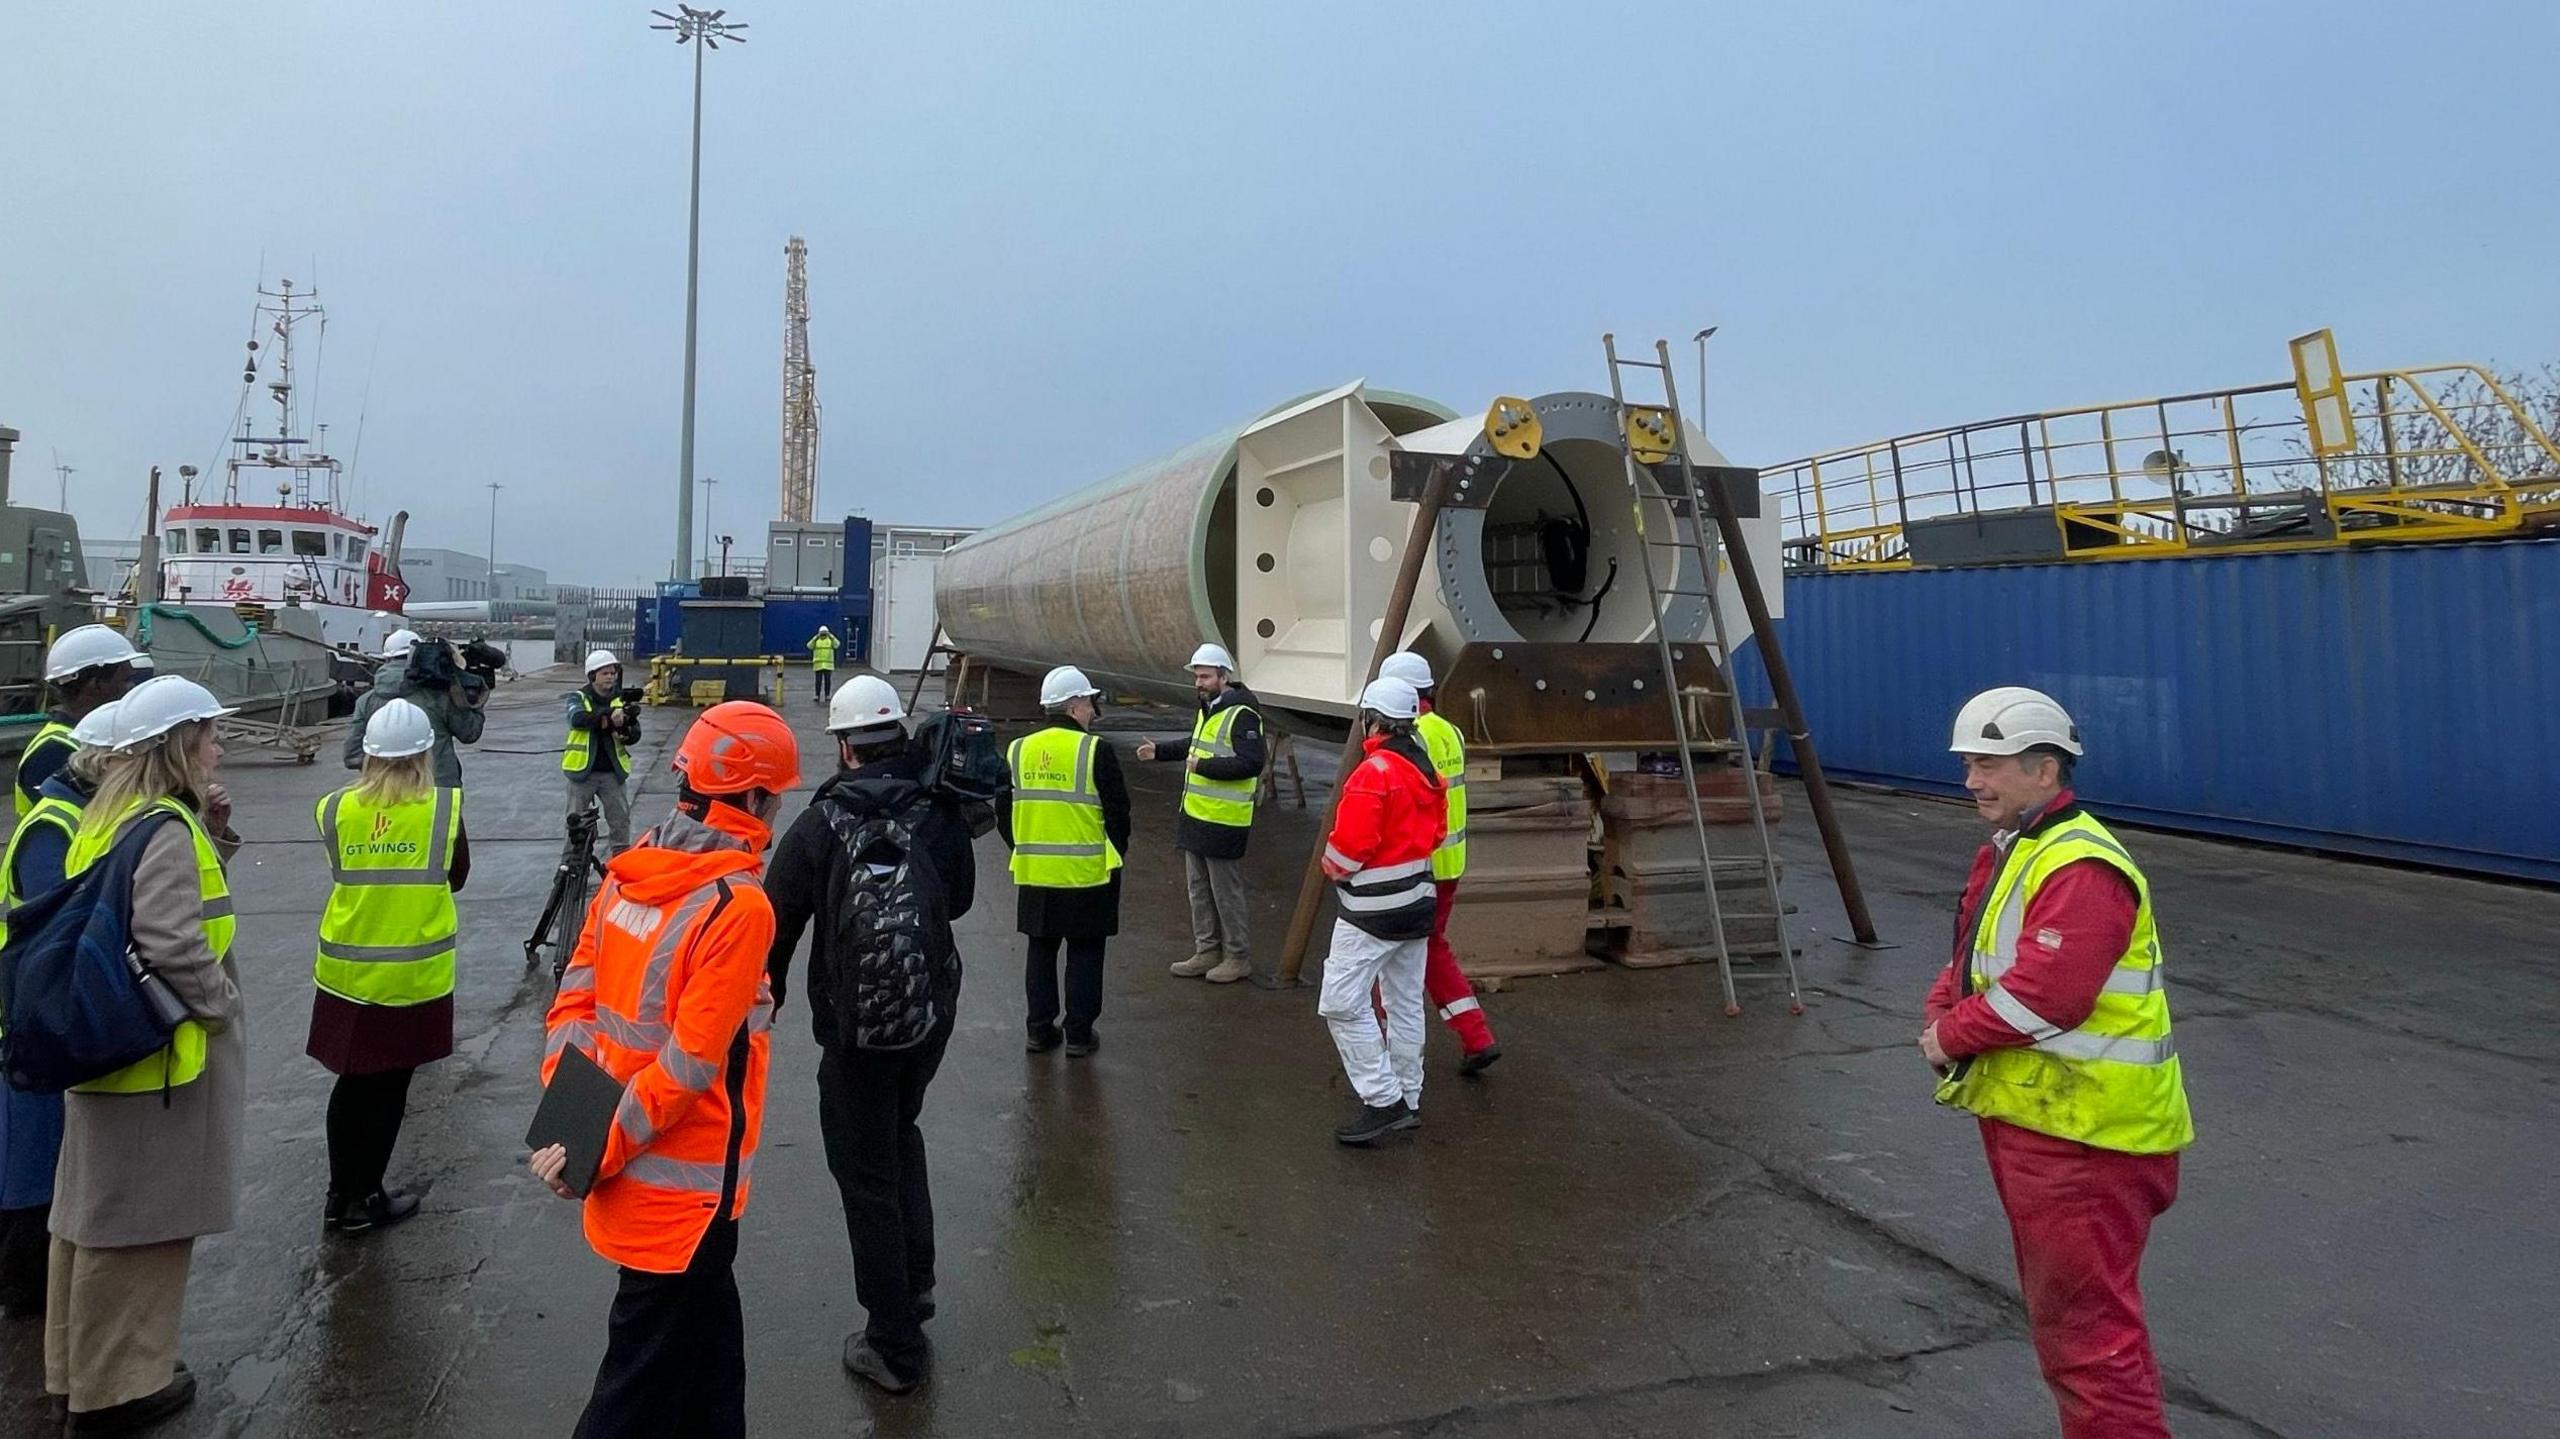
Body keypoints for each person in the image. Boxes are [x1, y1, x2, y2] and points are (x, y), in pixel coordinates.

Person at [1922, 686, 2193, 1439]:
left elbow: (2049, 998)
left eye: (1990, 764)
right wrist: (1942, 1004)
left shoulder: (2079, 864)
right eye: (1969, 763)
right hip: (2048, 1122)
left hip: (2087, 1136)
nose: (1973, 779)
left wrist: (1949, 1037)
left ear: (2046, 770)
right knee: (2075, 1326)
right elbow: (1978, 953)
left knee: (2089, 1338)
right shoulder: (2022, 847)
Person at [531, 700, 799, 1439]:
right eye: (773, 798)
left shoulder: (630, 873)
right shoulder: (738, 905)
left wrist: (572, 1127)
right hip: (686, 1200)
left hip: (638, 1181)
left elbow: (573, 1007)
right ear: (749, 798)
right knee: (631, 1393)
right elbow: (685, 1067)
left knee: (712, 1362)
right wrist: (589, 1148)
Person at [766, 675, 977, 1395]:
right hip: (925, 1018)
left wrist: (764, 998)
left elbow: (777, 917)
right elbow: (963, 896)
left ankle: (893, 1341)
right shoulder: (936, 810)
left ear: (845, 747)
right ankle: (913, 1286)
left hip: (856, 1032)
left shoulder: (822, 822)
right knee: (900, 1135)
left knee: (866, 1175)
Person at [45, 676, 244, 1435]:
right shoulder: (162, 824)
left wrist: (215, 831)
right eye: (209, 734)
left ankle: (75, 1374)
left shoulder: (106, 814)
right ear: (179, 744)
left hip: (105, 1058)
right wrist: (220, 1005)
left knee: (87, 1218)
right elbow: (169, 937)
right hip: (157, 1066)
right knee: (137, 1232)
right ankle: (118, 1390)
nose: (219, 746)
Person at [309, 699, 470, 1236]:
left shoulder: (333, 808)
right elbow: (458, 875)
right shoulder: (442, 810)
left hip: (345, 973)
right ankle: (365, 1198)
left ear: (369, 756)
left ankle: (339, 1195)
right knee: (387, 1091)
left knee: (350, 1084)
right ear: (426, 753)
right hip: (410, 975)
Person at [0, 701, 120, 1322]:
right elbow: (59, 925)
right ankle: (24, 1289)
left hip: (41, 1008)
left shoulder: (75, 816)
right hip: (32, 1013)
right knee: (33, 1158)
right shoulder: (54, 827)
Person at [1315, 676, 1444, 1146]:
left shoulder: (1374, 774)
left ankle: (1382, 1100)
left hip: (1371, 914)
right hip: (1416, 905)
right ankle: (1408, 1097)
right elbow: (1435, 833)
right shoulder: (1423, 767)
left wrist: (1334, 868)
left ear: (1372, 720)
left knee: (1341, 1003)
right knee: (1405, 1003)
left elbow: (1350, 848)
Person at [1377, 652, 1501, 1074]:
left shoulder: (1410, 737)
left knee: (1384, 949)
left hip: (1417, 865)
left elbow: (1399, 805)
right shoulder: (1450, 731)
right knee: (1427, 949)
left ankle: (1382, 1045)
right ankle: (1475, 1035)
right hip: (1449, 864)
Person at [997, 666, 1129, 1057]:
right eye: (1089, 702)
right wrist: (1114, 854)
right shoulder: (1094, 750)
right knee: (1085, 953)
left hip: (1036, 871)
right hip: (1088, 874)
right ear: (1074, 706)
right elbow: (1119, 813)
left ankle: (1038, 1030)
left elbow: (1003, 810)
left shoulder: (1018, 749)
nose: (1092, 711)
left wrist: (1025, 847)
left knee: (1041, 951)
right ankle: (1078, 1035)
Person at [1134, 642, 1263, 985]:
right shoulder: (1210, 709)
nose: (1198, 683)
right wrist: (1159, 752)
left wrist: (1203, 766)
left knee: (1226, 893)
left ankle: (1237, 955)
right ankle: (1207, 950)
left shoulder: (1242, 714)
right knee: (1199, 889)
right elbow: (1194, 743)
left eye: (1205, 676)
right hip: (1197, 817)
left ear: (1224, 676)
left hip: (1224, 821)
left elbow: (1251, 763)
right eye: (1196, 677)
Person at [14, 624, 148, 818]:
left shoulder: (89, 740)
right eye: (125, 680)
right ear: (97, 685)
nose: (131, 689)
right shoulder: (54, 752)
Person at [342, 629, 486, 787]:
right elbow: (470, 733)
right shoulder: (440, 696)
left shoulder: (366, 701)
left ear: (387, 659)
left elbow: (353, 755)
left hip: (385, 793)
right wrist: (472, 698)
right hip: (438, 792)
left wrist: (387, 772)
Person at [563, 648, 643, 854]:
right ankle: (570, 867)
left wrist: (627, 733)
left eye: (613, 673)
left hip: (612, 773)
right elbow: (577, 719)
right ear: (592, 676)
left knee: (620, 821)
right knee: (576, 823)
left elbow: (635, 734)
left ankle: (621, 863)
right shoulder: (578, 697)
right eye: (605, 673)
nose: (611, 677)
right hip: (582, 773)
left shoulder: (621, 699)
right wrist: (608, 717)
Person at [808, 625, 839, 701]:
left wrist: (831, 636)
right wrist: (815, 638)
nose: (823, 634)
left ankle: (827, 695)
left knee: (827, 681)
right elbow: (809, 646)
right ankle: (817, 695)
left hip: (828, 665)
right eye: (822, 633)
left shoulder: (830, 640)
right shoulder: (816, 640)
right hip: (818, 665)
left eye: (825, 633)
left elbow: (837, 645)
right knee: (818, 681)